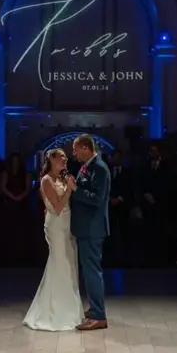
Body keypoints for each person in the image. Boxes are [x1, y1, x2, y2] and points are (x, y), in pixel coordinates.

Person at [22, 149, 83, 331]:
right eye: (61, 157)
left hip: (68, 224)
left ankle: (70, 308)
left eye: (65, 157)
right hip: (56, 225)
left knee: (70, 263)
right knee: (60, 263)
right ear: (52, 160)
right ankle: (55, 310)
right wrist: (69, 191)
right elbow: (56, 207)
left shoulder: (64, 178)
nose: (65, 160)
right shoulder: (46, 180)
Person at [70, 134, 111, 331]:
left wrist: (75, 189)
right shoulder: (88, 166)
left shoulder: (100, 169)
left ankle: (99, 315)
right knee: (88, 270)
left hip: (92, 228)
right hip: (85, 227)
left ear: (86, 148)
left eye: (76, 149)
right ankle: (94, 309)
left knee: (92, 271)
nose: (74, 153)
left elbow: (96, 198)